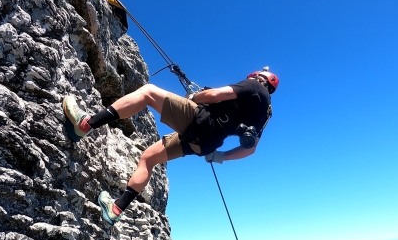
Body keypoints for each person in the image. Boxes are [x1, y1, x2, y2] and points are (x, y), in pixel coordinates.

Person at [62, 68, 278, 226]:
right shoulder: (265, 113)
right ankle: (116, 209)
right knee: (149, 158)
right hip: (206, 144)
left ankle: (86, 124)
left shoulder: (253, 86)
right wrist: (220, 156)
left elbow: (215, 95)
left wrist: (195, 97)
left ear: (259, 78)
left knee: (148, 92)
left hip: (200, 122)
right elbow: (250, 149)